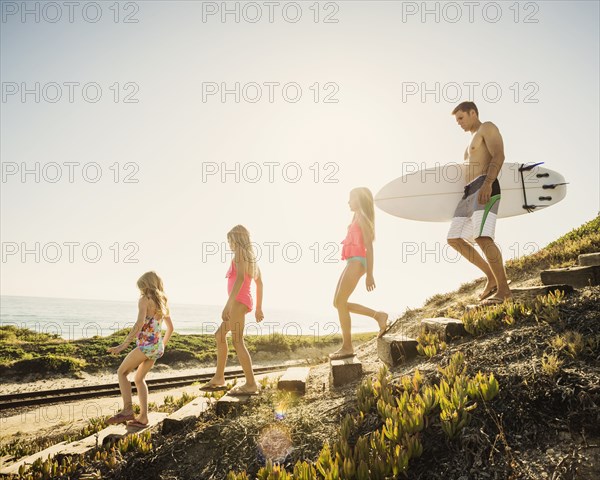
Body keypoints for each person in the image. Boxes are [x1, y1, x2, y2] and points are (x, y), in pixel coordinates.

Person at [447, 101, 512, 305]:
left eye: (461, 118)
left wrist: (488, 184)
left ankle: (504, 290)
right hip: (468, 193)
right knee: (454, 238)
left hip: (485, 185)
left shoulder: (487, 128)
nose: (458, 123)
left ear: (473, 113)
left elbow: (499, 155)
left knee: (483, 237)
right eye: (456, 119)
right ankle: (491, 277)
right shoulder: (468, 144)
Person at [200, 225, 264, 395]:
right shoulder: (251, 257)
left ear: (237, 239)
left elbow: (241, 278)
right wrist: (257, 308)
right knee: (220, 336)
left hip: (237, 301)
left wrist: (229, 304)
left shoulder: (241, 253)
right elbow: (259, 283)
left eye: (230, 240)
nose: (229, 244)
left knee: (237, 341)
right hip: (242, 301)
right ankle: (219, 377)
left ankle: (251, 384)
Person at [106, 271, 174, 428]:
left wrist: (123, 345)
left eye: (141, 287)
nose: (140, 291)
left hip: (146, 346)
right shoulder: (163, 301)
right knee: (138, 379)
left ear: (146, 286)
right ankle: (143, 417)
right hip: (156, 347)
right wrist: (161, 344)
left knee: (122, 373)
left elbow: (139, 323)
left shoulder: (145, 299)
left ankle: (127, 410)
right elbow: (171, 328)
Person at [329, 187, 389, 360]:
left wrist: (370, 274)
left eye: (351, 198)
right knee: (338, 303)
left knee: (340, 302)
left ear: (360, 200)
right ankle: (378, 315)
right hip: (352, 261)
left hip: (358, 261)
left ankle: (347, 347)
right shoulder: (356, 217)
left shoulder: (362, 217)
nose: (348, 202)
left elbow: (369, 247)